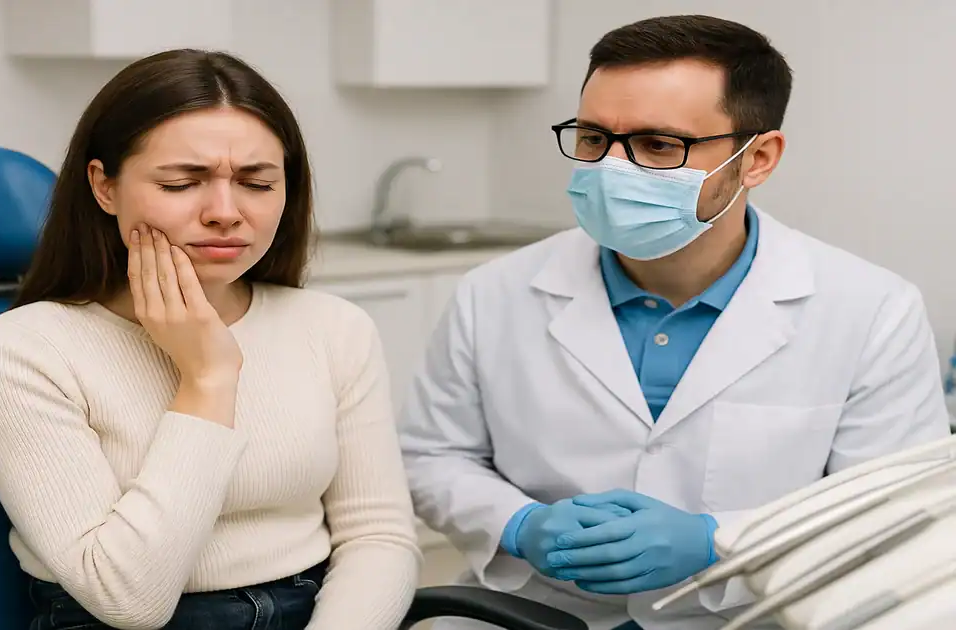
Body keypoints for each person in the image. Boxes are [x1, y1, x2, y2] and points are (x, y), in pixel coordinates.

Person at [398, 14, 951, 630]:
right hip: (535, 610)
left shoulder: (871, 309)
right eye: (591, 138)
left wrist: (719, 542)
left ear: (758, 158)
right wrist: (519, 524)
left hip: (753, 613)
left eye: (659, 145)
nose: (611, 168)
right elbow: (431, 456)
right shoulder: (492, 292)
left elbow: (890, 510)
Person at [0, 49, 421, 630]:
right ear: (104, 187)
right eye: (182, 183)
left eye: (256, 182)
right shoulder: (19, 350)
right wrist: (207, 379)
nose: (225, 213)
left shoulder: (334, 328)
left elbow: (379, 536)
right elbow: (128, 601)